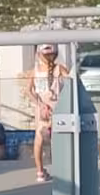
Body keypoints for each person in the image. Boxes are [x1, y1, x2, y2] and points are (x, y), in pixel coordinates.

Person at [22, 44, 69, 183]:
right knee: (59, 140)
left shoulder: (36, 71)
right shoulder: (59, 69)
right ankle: (61, 170)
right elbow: (71, 83)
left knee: (39, 139)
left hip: (42, 109)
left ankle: (40, 171)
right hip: (56, 107)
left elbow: (28, 91)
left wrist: (40, 104)